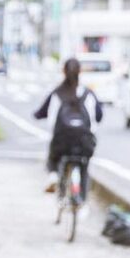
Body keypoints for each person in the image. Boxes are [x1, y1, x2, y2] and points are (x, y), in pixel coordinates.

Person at [33, 58, 103, 192]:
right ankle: (81, 201)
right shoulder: (88, 94)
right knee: (84, 164)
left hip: (61, 140)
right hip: (84, 140)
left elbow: (42, 112)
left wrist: (37, 115)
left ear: (63, 71)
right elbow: (99, 116)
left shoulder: (57, 93)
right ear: (80, 72)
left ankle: (53, 175)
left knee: (53, 157)